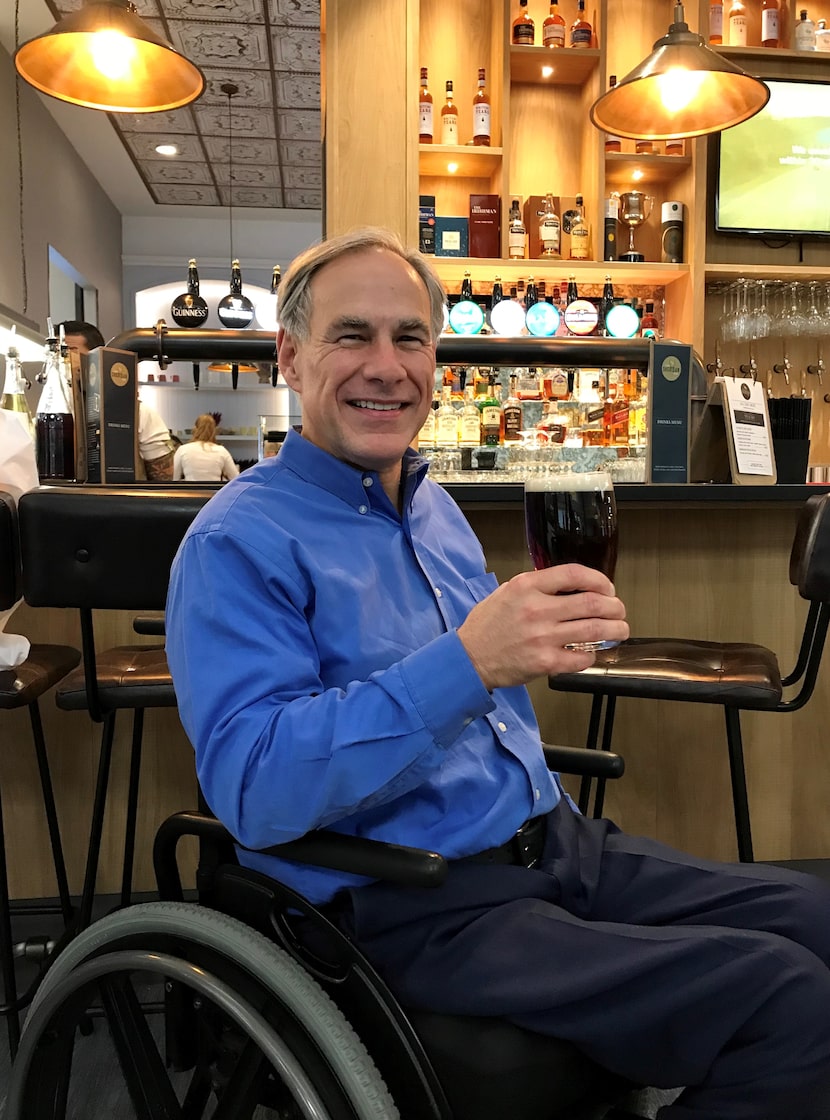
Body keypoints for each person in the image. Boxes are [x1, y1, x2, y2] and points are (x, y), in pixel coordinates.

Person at [165, 228, 830, 1120]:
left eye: (410, 338)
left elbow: (477, 696)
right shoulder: (234, 542)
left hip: (557, 845)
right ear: (290, 354)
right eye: (351, 335)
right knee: (789, 1001)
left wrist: (524, 652)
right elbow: (253, 787)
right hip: (416, 901)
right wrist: (472, 661)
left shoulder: (431, 504)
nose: (387, 366)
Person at [59, 321, 175, 481]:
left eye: (68, 351)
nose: (61, 360)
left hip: (125, 504)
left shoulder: (139, 414)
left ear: (92, 357)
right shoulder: (50, 413)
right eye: (55, 353)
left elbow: (163, 480)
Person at [173, 413, 240, 482]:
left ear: (195, 429)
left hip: (190, 491)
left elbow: (174, 478)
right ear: (214, 431)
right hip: (215, 491)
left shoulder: (183, 449)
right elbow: (235, 478)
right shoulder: (221, 451)